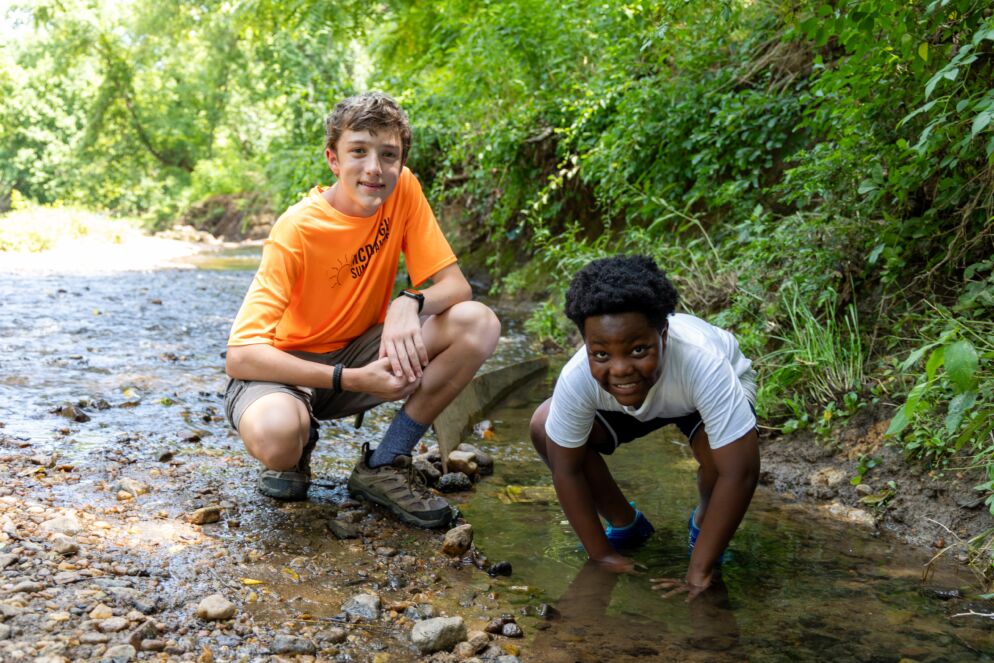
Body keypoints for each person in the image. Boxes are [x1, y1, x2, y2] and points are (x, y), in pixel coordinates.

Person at [224, 92, 501, 529]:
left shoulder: (403, 189)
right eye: (358, 152)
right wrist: (349, 378)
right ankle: (299, 444)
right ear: (333, 159)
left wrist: (408, 302)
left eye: (388, 155)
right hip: (283, 371)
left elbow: (457, 288)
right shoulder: (296, 229)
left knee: (478, 323)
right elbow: (239, 355)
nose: (374, 168)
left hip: (359, 353)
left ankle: (386, 462)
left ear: (401, 161)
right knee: (280, 440)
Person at [529, 255, 759, 597]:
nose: (620, 368)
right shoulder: (579, 376)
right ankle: (627, 527)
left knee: (718, 457)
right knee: (545, 426)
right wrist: (602, 555)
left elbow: (741, 472)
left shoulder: (703, 362)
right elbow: (567, 470)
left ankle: (704, 526)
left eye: (638, 349)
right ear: (587, 346)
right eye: (602, 354)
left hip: (694, 398)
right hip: (625, 404)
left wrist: (698, 572)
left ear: (662, 333)